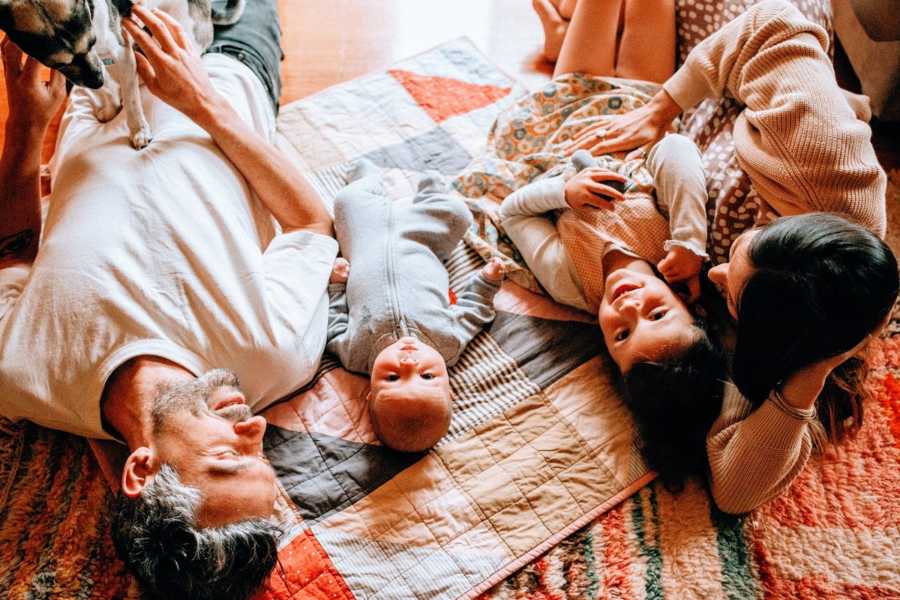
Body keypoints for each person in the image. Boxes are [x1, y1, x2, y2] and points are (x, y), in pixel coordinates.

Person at [0, 2, 334, 597]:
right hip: (228, 68)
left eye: (229, 459)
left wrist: (25, 126)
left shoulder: (23, 378)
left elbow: (11, 257)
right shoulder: (274, 356)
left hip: (95, 85)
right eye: (263, 456)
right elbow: (310, 224)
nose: (255, 427)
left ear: (142, 469)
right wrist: (201, 97)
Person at [541, 0, 896, 512]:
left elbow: (734, 494)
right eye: (739, 256)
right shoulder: (823, 162)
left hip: (694, 135)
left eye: (735, 294)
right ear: (789, 224)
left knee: (593, 68)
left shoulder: (791, 330)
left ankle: (567, 32)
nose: (717, 271)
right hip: (742, 49)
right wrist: (661, 108)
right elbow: (769, 24)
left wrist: (810, 374)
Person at [460, 0, 723, 491]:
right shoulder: (673, 248)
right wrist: (690, 240)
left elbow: (514, 211)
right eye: (658, 314)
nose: (627, 308)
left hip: (565, 111)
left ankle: (561, 35)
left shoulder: (569, 282)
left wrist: (563, 194)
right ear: (690, 305)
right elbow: (675, 151)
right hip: (640, 105)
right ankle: (559, 31)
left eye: (621, 335)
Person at [326, 160, 505, 452]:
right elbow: (475, 311)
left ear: (370, 393)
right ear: (449, 386)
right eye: (427, 376)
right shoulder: (448, 343)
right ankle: (431, 189)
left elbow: (334, 322)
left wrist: (335, 284)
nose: (409, 363)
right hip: (421, 239)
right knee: (458, 215)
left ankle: (365, 176)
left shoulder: (354, 354)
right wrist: (487, 281)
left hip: (365, 238)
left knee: (347, 201)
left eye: (394, 377)